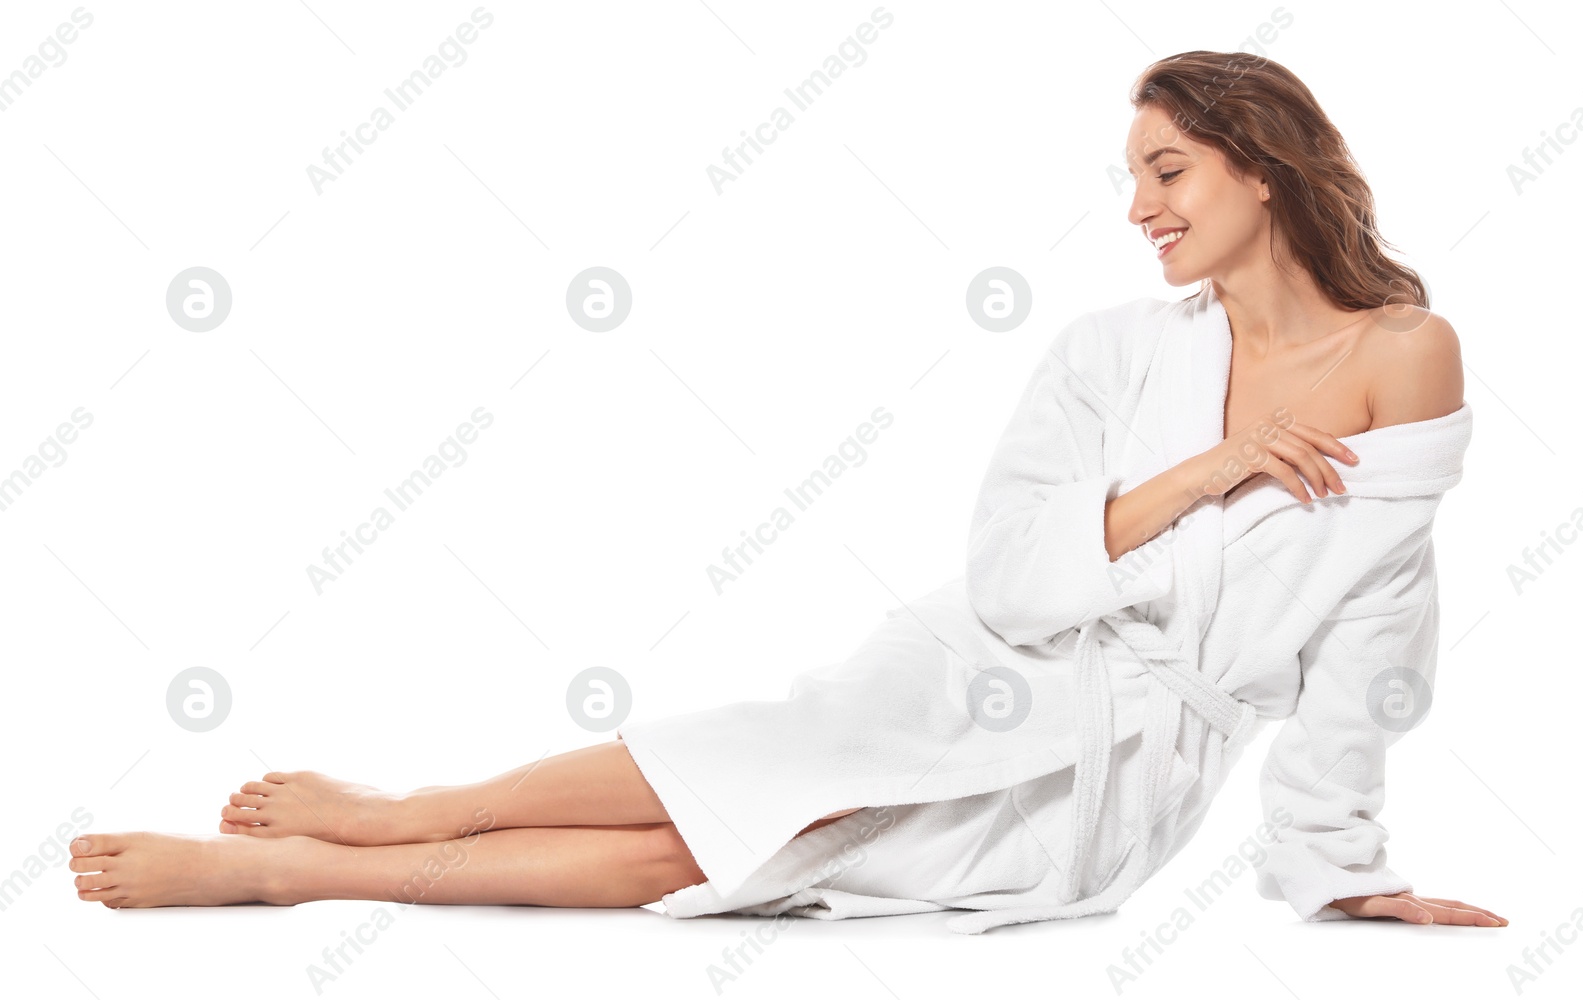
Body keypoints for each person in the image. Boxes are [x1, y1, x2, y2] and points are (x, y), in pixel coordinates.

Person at [70, 50, 1507, 932]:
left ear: (1261, 166)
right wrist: (1204, 473)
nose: (1138, 207)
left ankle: (306, 873)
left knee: (738, 859)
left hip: (1118, 776)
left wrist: (1338, 864)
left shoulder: (1405, 350)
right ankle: (395, 822)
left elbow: (1380, 621)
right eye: (1134, 176)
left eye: (1168, 169)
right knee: (754, 767)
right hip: (986, 670)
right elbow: (1016, 577)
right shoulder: (1111, 352)